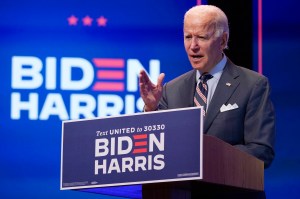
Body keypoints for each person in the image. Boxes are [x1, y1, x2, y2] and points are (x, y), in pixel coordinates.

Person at [139, 5, 275, 168]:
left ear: (223, 41)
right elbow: (154, 147)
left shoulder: (253, 85)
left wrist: (205, 156)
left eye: (202, 37)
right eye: (188, 37)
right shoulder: (171, 89)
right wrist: (151, 109)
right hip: (180, 192)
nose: (193, 46)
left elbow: (261, 151)